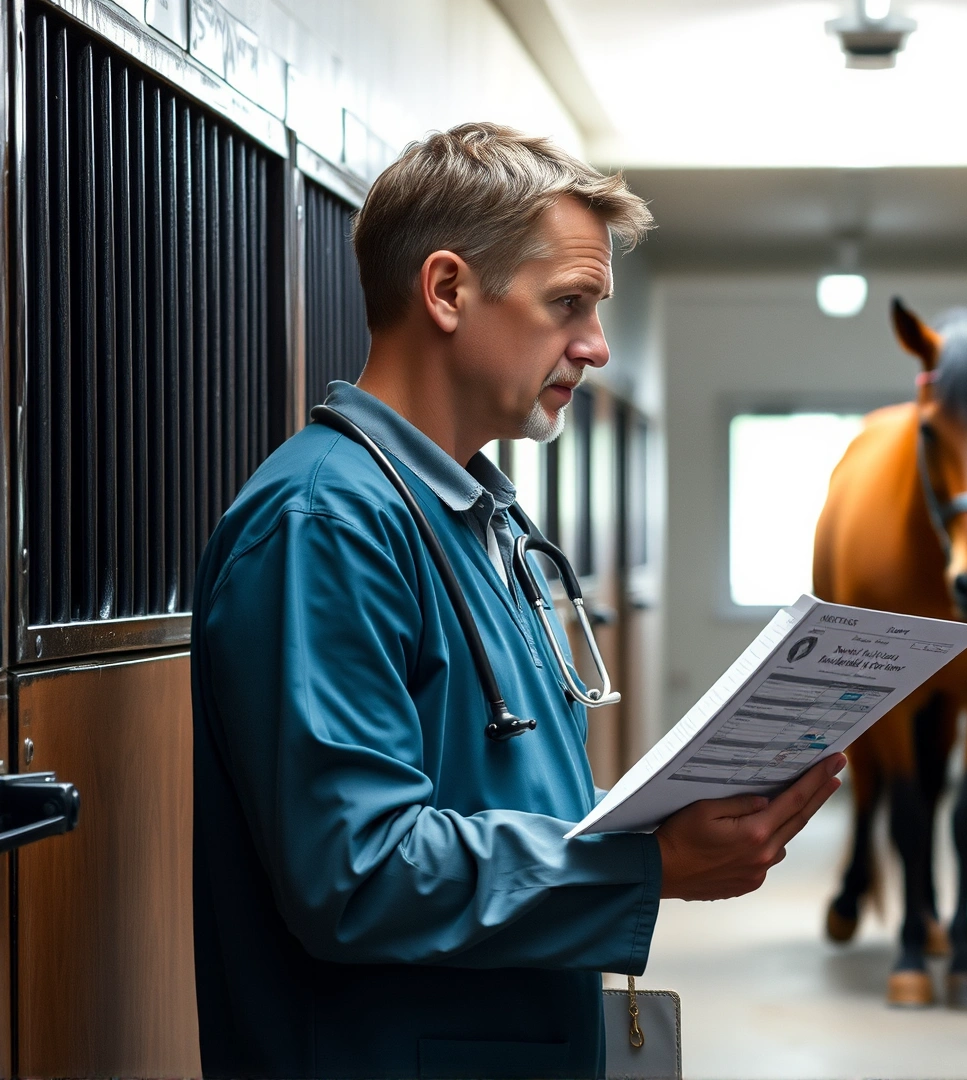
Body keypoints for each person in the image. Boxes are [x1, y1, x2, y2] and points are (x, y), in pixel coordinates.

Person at [190, 122, 844, 1079]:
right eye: (568, 304)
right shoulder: (325, 521)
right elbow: (354, 868)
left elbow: (489, 789)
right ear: (448, 290)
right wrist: (644, 866)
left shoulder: (469, 513)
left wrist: (661, 816)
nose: (598, 346)